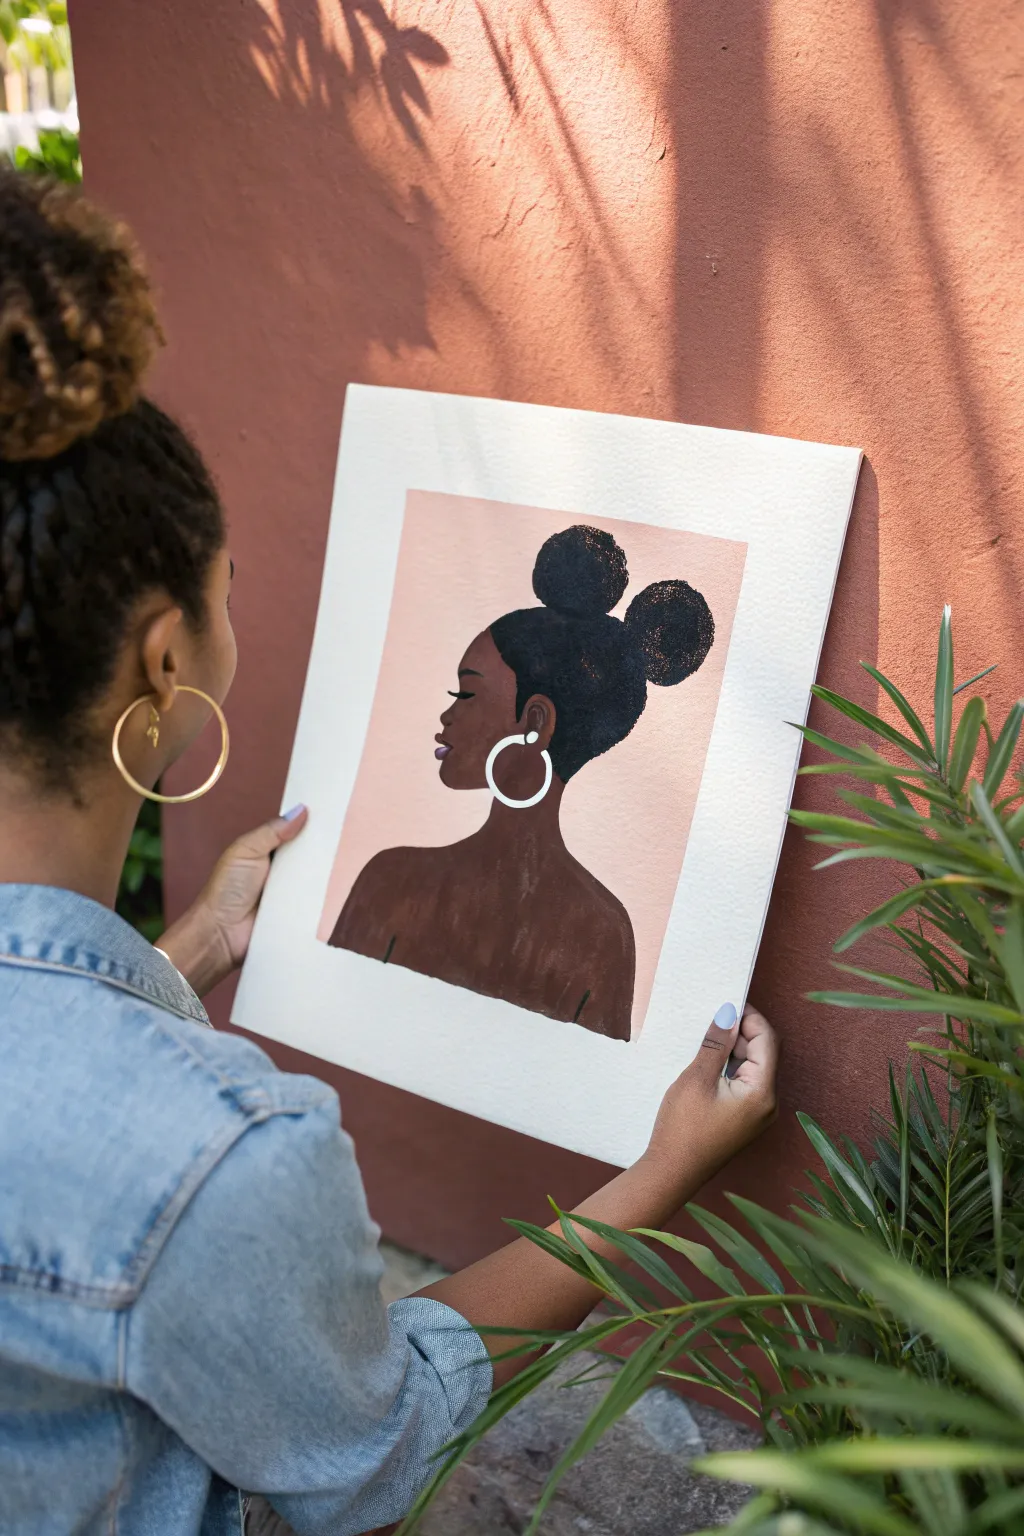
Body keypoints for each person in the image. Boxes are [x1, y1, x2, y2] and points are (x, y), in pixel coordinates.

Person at [0, 169, 778, 1536]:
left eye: (462, 690)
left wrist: (193, 951)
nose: (435, 706)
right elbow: (383, 1435)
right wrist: (662, 1172)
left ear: (537, 721)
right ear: (165, 659)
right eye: (226, 586)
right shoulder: (217, 1161)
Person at [329, 525, 715, 1040]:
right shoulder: (603, 934)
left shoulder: (394, 884)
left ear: (535, 723)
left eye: (465, 695)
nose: (445, 716)